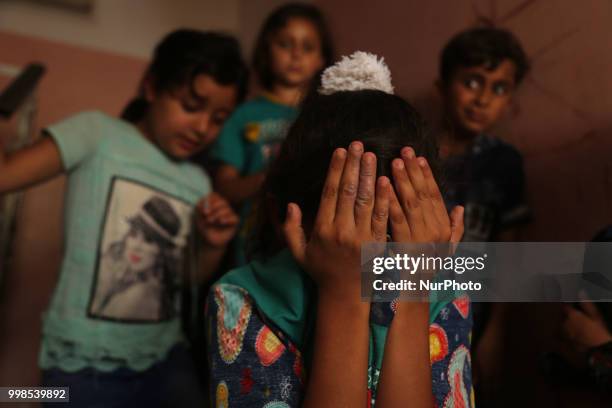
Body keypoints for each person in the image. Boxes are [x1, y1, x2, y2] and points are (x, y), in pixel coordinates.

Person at [206, 52, 472, 407]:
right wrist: (344, 297)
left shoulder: (446, 294)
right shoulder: (242, 303)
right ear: (284, 219)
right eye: (347, 235)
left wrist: (413, 292)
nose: (373, 259)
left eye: (394, 237)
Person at [0, 29, 247, 406]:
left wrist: (212, 245)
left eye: (218, 119)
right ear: (151, 87)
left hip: (165, 360)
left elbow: (186, 277)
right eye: (190, 105)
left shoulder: (198, 180)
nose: (202, 128)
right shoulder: (97, 133)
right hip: (81, 364)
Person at [211, 2, 334, 266]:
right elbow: (224, 186)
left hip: (309, 248)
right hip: (252, 246)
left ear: (321, 59)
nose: (296, 55)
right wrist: (269, 178)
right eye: (285, 44)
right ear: (267, 49)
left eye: (307, 47)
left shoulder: (326, 115)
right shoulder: (244, 115)